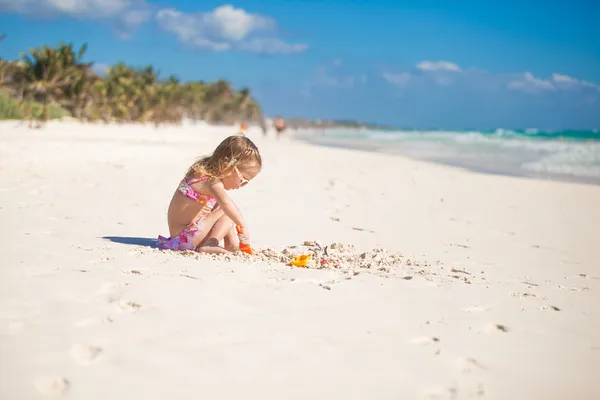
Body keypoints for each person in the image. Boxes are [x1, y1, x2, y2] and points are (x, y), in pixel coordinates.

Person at [157, 134, 262, 254]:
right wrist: (243, 226)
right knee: (226, 209)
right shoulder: (211, 182)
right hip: (185, 239)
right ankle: (211, 243)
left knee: (224, 209)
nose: (240, 186)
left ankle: (231, 244)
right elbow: (226, 204)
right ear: (229, 166)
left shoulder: (203, 174)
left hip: (184, 236)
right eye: (243, 180)